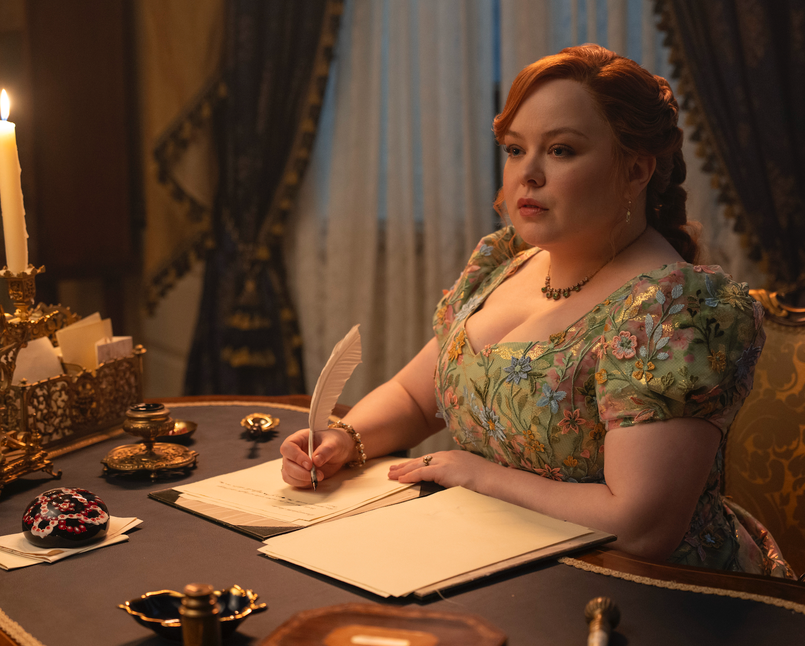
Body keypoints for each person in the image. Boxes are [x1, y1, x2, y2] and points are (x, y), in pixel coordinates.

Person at [280, 44, 793, 578]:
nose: (528, 174)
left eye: (562, 151)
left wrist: (474, 474)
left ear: (636, 169)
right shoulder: (503, 264)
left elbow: (641, 530)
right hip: (490, 557)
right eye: (514, 149)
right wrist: (345, 438)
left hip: (645, 594)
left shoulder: (673, 311)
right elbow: (415, 396)